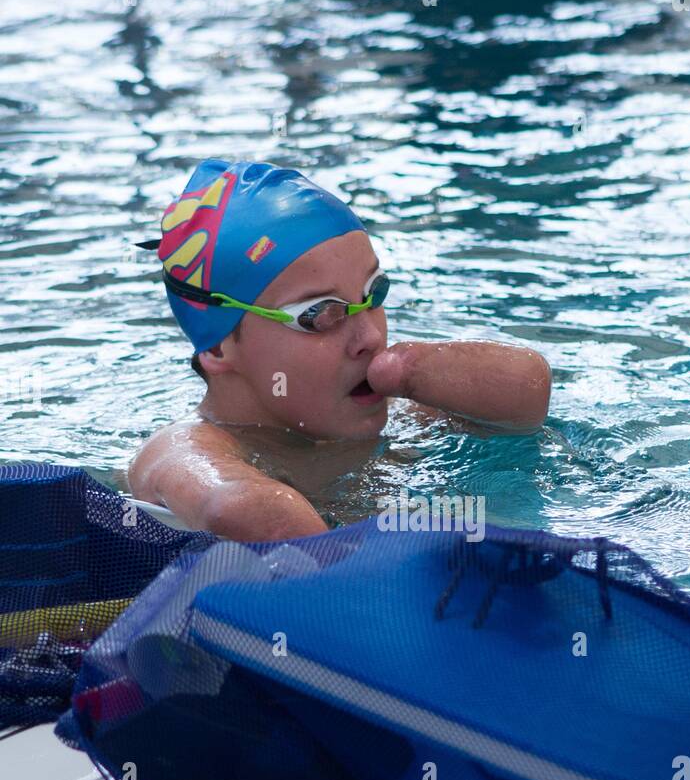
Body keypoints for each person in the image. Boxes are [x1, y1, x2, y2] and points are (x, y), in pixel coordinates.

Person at [129, 159, 551, 540]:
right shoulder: (181, 451)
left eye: (374, 293)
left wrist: (409, 368)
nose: (369, 336)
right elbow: (250, 512)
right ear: (219, 347)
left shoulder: (406, 417)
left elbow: (527, 390)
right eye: (322, 314)